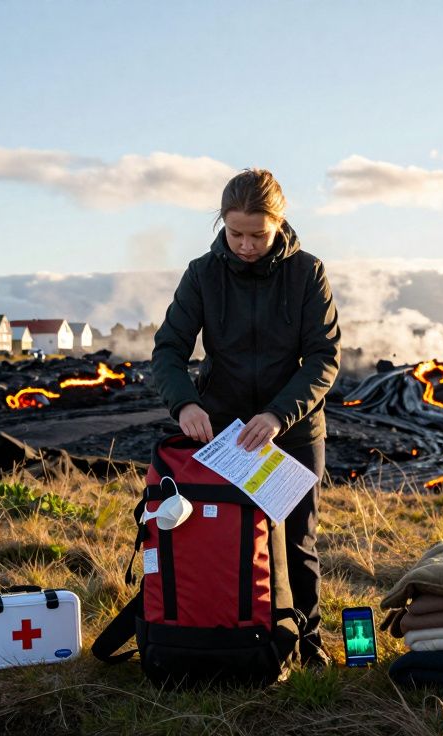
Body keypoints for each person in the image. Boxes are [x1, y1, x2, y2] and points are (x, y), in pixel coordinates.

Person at [152, 168, 341, 667]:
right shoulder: (201, 273)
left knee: (296, 538)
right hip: (223, 435)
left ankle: (307, 641)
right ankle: (228, 631)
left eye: (258, 234)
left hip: (292, 431)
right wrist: (185, 403)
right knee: (223, 535)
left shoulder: (308, 272)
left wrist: (279, 415)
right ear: (222, 223)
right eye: (235, 232)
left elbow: (324, 358)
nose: (245, 244)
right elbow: (168, 349)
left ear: (279, 223)